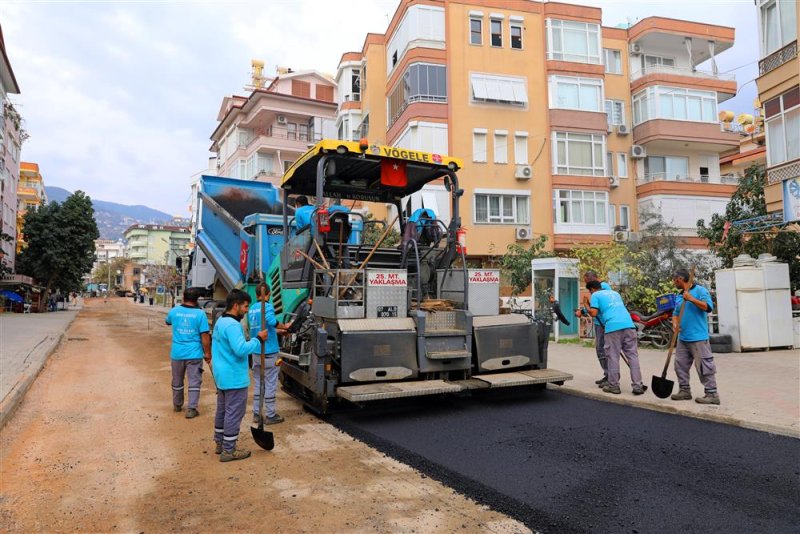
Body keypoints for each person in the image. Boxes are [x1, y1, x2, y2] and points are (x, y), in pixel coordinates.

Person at [211, 289, 267, 462]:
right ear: (236, 305)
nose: (247, 310)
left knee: (222, 410)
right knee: (234, 413)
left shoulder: (221, 320)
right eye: (245, 306)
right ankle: (229, 450)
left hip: (222, 375)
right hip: (234, 376)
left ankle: (220, 443)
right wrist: (258, 339)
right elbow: (240, 349)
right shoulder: (233, 325)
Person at [586, 280, 645, 395]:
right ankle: (638, 385)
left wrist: (587, 305)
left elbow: (593, 313)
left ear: (592, 289)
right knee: (632, 356)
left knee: (612, 356)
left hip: (613, 327)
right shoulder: (615, 293)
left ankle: (614, 386)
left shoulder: (595, 295)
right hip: (629, 325)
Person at [670, 269, 719, 405]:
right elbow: (675, 312)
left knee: (704, 366)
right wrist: (675, 324)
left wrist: (691, 299)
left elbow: (708, 307)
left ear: (680, 279)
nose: (674, 283)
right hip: (683, 337)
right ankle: (684, 390)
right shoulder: (680, 296)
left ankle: (712, 393)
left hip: (698, 337)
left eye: (674, 280)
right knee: (679, 365)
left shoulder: (700, 291)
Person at [248, 283, 291, 426]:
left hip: (256, 351)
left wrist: (277, 332)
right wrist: (284, 326)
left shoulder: (252, 309)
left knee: (259, 384)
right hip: (269, 352)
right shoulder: (267, 306)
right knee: (271, 383)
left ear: (256, 294)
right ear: (269, 294)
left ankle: (256, 413)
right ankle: (270, 415)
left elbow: (263, 328)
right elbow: (272, 322)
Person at [165, 287, 211, 418]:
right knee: (194, 382)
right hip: (194, 354)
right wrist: (208, 353)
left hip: (177, 354)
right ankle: (191, 409)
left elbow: (167, 321)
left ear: (184, 298)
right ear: (197, 300)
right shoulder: (200, 314)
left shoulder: (174, 311)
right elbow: (205, 336)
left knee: (177, 380)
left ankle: (177, 405)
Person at [575, 271, 612, 387]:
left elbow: (599, 306)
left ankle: (610, 376)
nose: (588, 288)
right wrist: (582, 311)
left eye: (588, 283)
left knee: (602, 349)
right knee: (601, 349)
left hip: (603, 322)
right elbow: (594, 305)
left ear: (593, 280)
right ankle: (608, 375)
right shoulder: (600, 288)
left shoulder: (603, 287)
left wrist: (585, 308)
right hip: (599, 322)